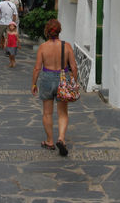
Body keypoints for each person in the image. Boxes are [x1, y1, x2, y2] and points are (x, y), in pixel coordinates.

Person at [31, 18, 78, 157]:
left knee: (47, 113)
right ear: (59, 31)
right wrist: (74, 82)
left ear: (47, 31)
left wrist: (34, 83)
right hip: (63, 79)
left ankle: (50, 141)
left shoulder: (43, 47)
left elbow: (37, 68)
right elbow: (74, 67)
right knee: (63, 113)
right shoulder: (67, 46)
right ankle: (61, 138)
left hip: (46, 79)